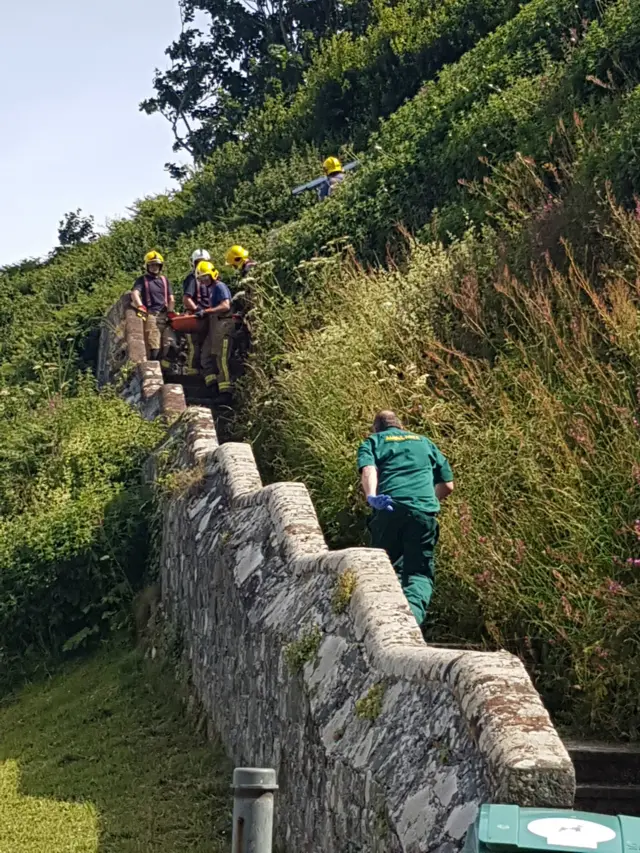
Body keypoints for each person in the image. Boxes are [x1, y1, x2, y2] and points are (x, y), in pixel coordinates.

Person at [357, 410, 454, 627]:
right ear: (401, 426)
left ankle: (384, 625)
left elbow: (369, 470)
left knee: (386, 569)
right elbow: (448, 486)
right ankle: (411, 623)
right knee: (418, 574)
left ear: (376, 428)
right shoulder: (425, 442)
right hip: (423, 513)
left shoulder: (373, 441)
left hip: (389, 509)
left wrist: (371, 497)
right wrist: (425, 500)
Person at [195, 260, 235, 396]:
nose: (204, 280)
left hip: (223, 324)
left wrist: (207, 311)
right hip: (215, 324)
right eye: (201, 278)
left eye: (205, 277)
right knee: (205, 355)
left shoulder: (220, 287)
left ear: (212, 275)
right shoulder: (211, 289)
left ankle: (226, 391)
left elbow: (226, 306)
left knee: (221, 358)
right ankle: (212, 386)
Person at [130, 251, 176, 364]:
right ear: (147, 266)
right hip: (151, 315)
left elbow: (171, 298)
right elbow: (135, 293)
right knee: (154, 345)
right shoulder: (142, 280)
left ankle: (165, 370)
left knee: (171, 345)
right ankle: (154, 371)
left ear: (160, 266)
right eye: (151, 265)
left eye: (156, 265)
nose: (154, 267)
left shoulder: (165, 280)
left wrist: (170, 312)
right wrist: (140, 306)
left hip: (165, 316)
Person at [182, 249, 212, 375]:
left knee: (208, 346)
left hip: (209, 315)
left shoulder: (212, 277)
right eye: (198, 262)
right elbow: (187, 299)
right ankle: (192, 372)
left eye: (203, 262)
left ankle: (207, 374)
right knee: (194, 345)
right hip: (195, 316)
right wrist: (197, 309)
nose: (201, 265)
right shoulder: (191, 279)